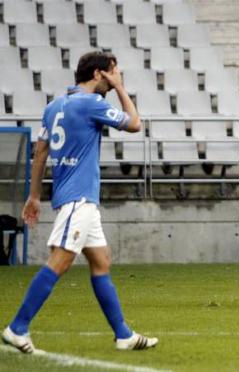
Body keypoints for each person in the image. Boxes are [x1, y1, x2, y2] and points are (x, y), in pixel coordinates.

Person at [2, 52, 157, 352]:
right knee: (60, 261)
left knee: (101, 261)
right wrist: (122, 89)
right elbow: (135, 124)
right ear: (100, 74)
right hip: (79, 200)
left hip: (74, 199)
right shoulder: (92, 103)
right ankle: (17, 327)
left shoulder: (53, 106)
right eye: (113, 75)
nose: (114, 82)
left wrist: (34, 196)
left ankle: (123, 334)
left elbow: (41, 153)